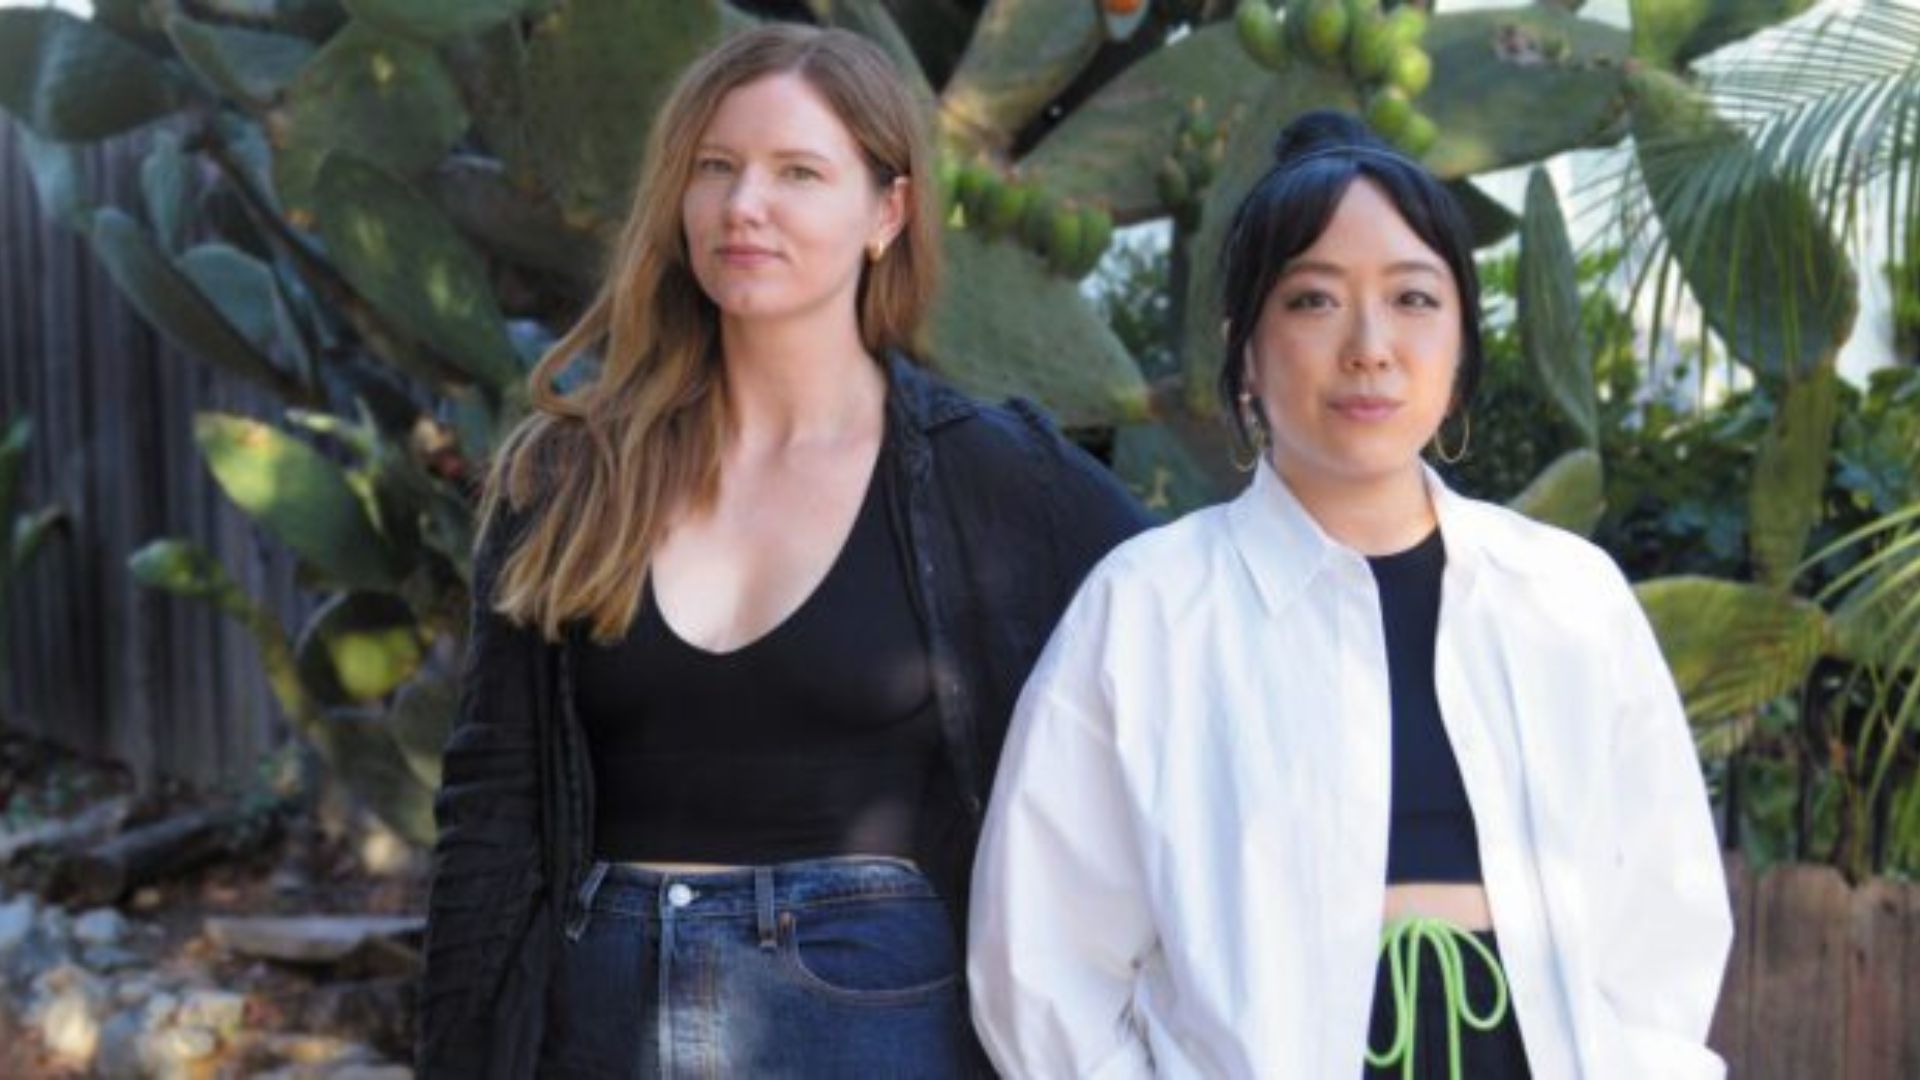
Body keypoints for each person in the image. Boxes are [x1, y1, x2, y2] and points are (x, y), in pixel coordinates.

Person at [415, 24, 1149, 1078]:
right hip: (601, 1020)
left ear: (885, 213)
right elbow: (488, 806)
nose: (743, 205)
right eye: (714, 169)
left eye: (797, 172)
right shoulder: (570, 475)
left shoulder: (993, 476)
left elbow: (1183, 647)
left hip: (874, 1021)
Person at [967, 111, 1732, 1079]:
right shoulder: (1146, 613)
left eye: (1413, 298)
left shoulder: (1570, 600)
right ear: (1245, 352)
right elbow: (1039, 962)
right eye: (1314, 301)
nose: (1370, 345)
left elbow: (1664, 933)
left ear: (1460, 347)